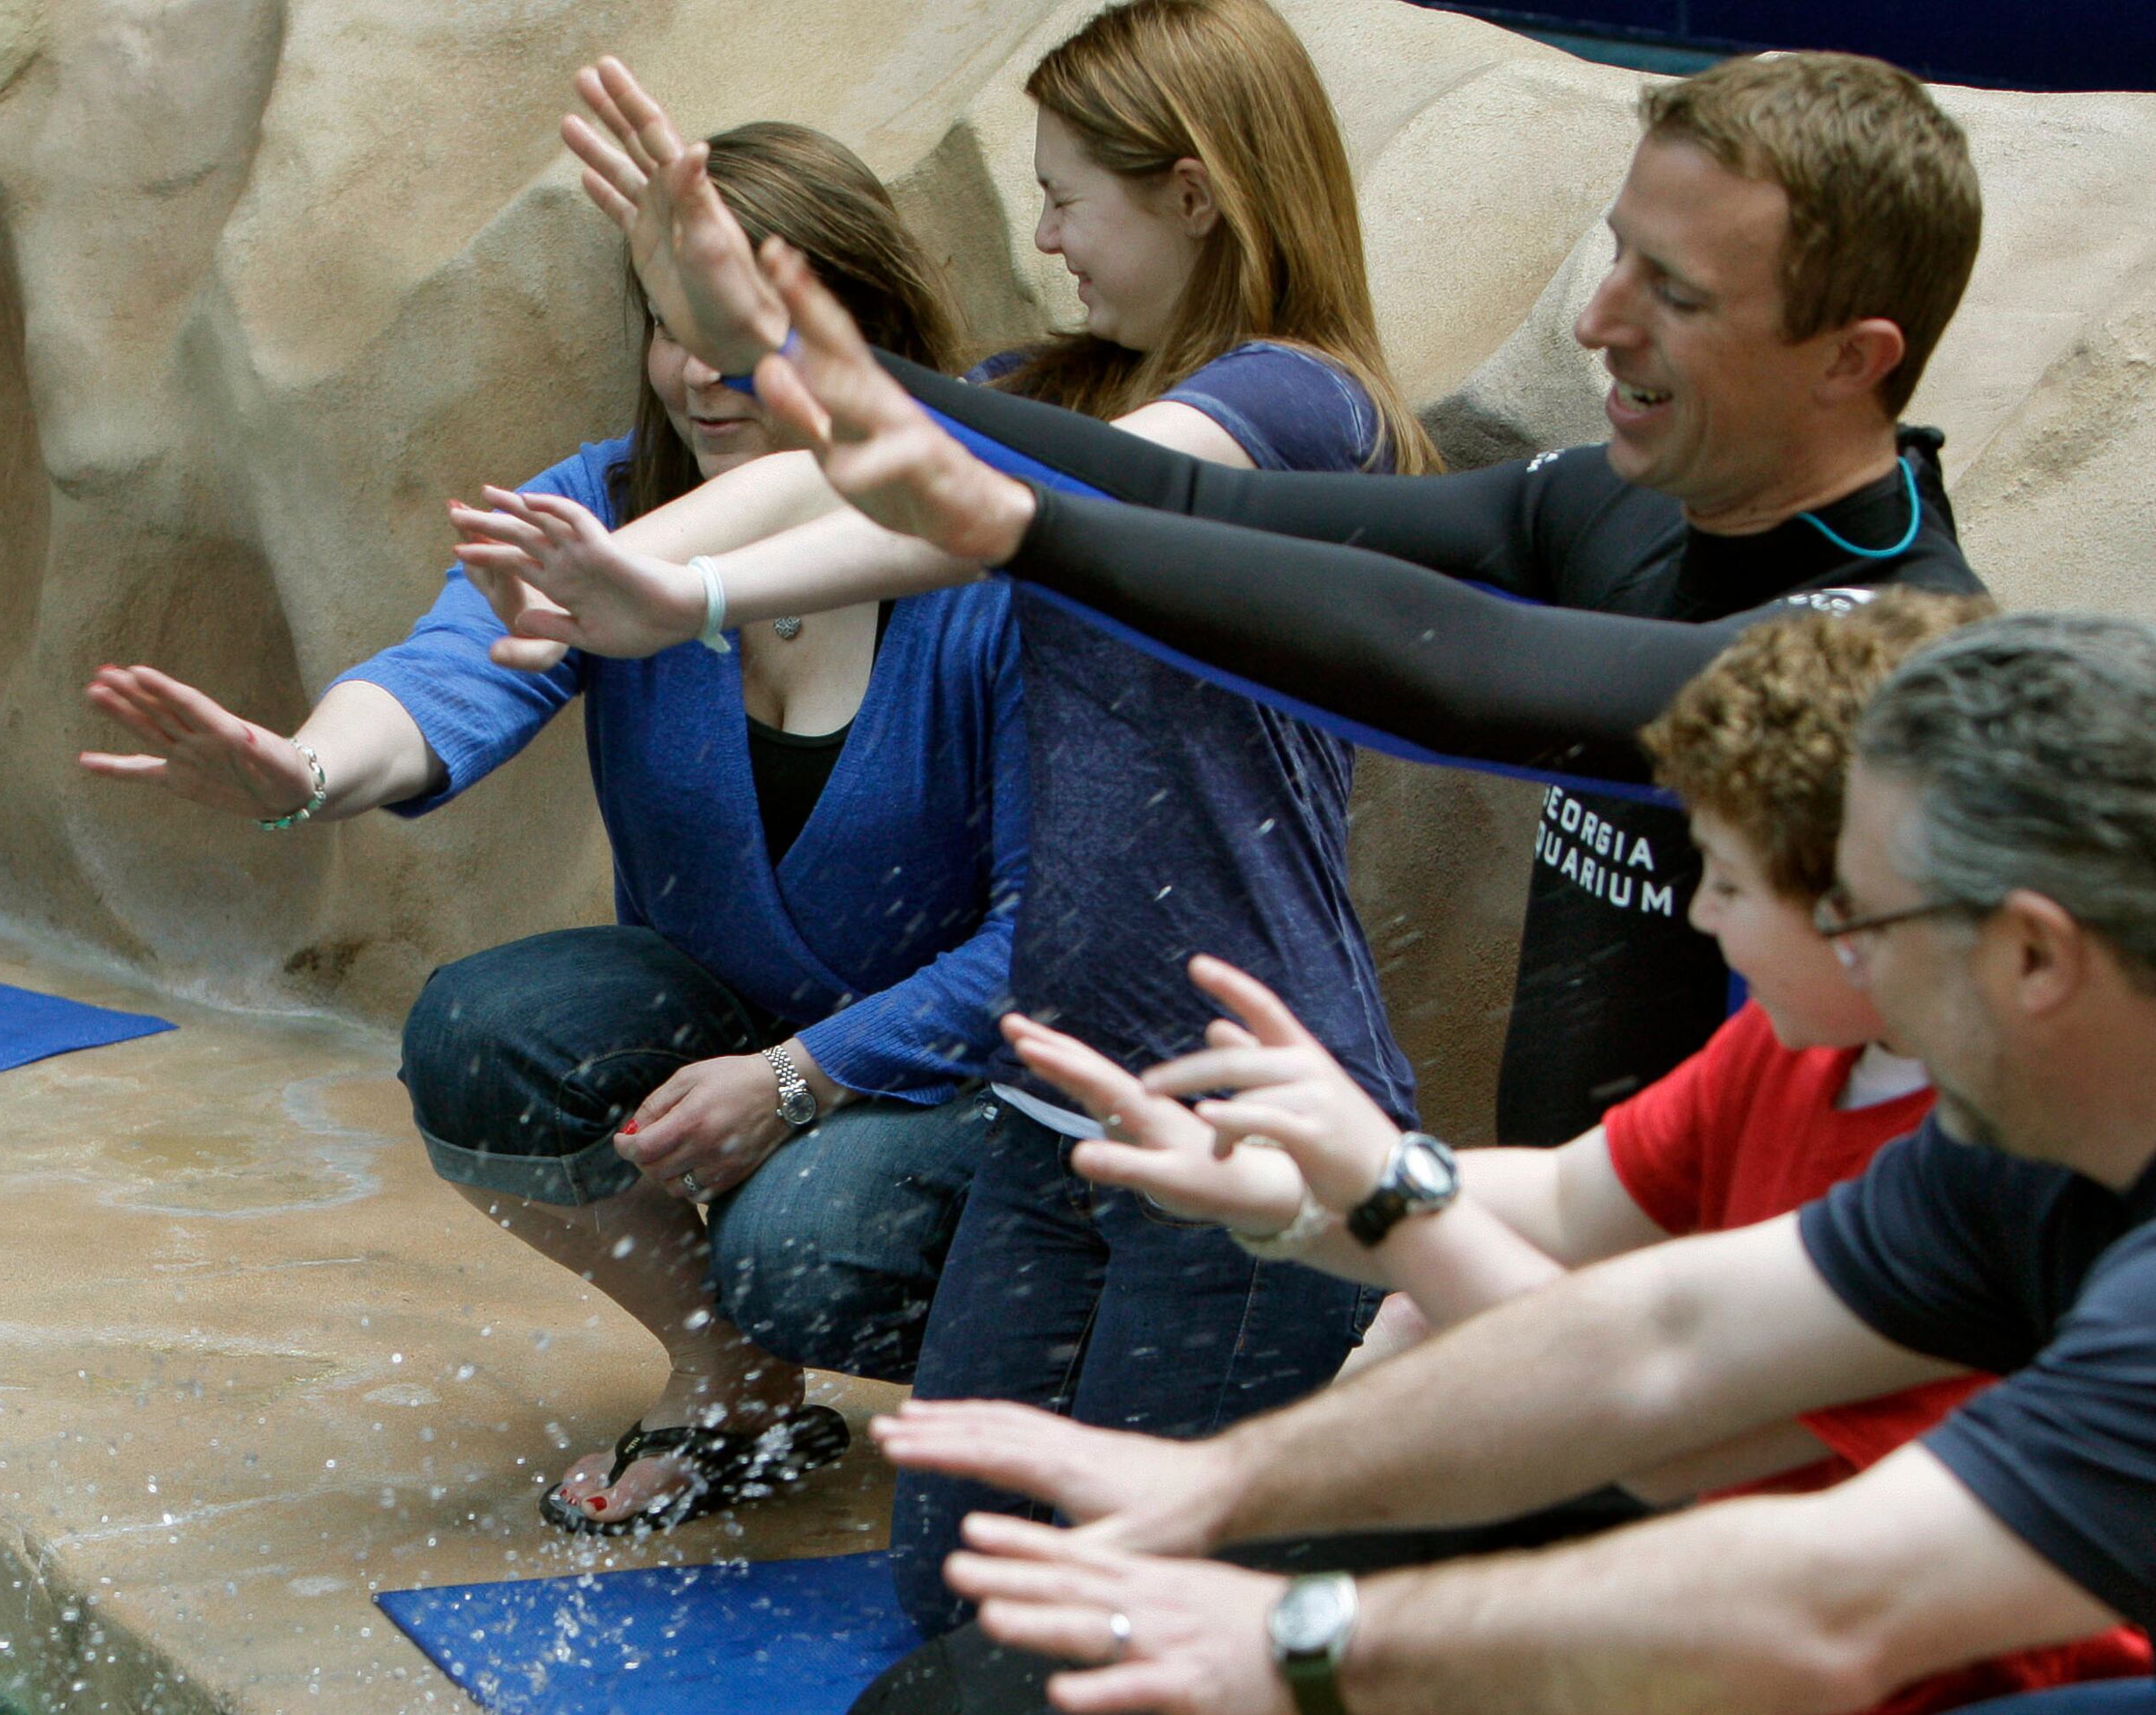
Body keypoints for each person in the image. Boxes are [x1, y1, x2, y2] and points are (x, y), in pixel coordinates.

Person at [897, 612, 2156, 1715]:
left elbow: (1822, 1581)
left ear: (2030, 957)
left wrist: (1309, 1644)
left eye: (1855, 906)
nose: (1786, 931)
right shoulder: (2010, 1150)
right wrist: (1224, 1477)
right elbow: (1660, 1337)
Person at [525, 46, 1985, 1144]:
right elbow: (1195, 506)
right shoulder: (1613, 504)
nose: (1599, 322)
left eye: (1671, 290)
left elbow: (1456, 675)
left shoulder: (1881, 660)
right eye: (1615, 259)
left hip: (1773, 1320)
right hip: (1594, 1229)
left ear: (1852, 357)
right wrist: (785, 341)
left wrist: (1012, 533)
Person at [460, 0, 1434, 1625]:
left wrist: (689, 589)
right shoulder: (1079, 387)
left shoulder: (1297, 409)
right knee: (953, 1591)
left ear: (1195, 192)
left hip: (1243, 1113)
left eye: (1067, 198)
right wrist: (671, 548)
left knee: (1121, 1612)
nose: (1042, 237)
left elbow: (992, 510)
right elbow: (857, 462)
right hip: (1068, 1115)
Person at [82, 125, 1023, 1534]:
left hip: (968, 1067)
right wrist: (306, 768)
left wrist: (803, 1078)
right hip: (742, 1016)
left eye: (742, 328)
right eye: (670, 325)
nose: (700, 369)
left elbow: (1056, 934)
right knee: (481, 1037)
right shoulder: (607, 513)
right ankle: (733, 1385)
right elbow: (448, 670)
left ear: (862, 332)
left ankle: (1049, 1404)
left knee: (803, 1246)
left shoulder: (981, 551)